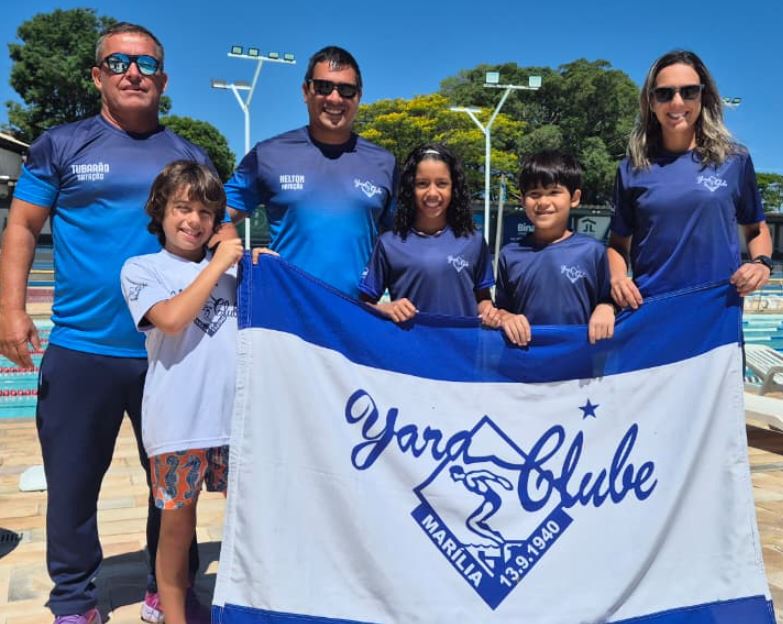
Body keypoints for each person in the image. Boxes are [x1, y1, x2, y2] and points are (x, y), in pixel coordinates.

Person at [0, 22, 213, 624]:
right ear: (98, 75)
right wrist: (9, 309)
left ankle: (163, 587)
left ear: (164, 80)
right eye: (119, 62)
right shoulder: (61, 144)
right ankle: (72, 599)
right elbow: (21, 227)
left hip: (168, 353)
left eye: (146, 65)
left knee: (173, 488)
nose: (133, 73)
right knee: (71, 485)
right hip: (83, 348)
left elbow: (214, 237)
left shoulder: (189, 155)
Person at [120, 161, 243, 624]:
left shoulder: (234, 271)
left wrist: (261, 266)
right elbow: (171, 319)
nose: (193, 220)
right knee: (177, 528)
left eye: (205, 213)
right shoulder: (141, 269)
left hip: (234, 422)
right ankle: (173, 615)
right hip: (177, 421)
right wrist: (218, 266)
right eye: (182, 208)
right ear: (161, 210)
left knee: (248, 521)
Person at [223, 46, 397, 297]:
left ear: (358, 96)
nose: (335, 98)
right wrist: (237, 252)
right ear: (306, 91)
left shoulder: (385, 163)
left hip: (358, 316)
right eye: (324, 87)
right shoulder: (269, 154)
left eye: (346, 90)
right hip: (288, 315)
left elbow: (400, 243)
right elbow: (214, 212)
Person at [608, 49, 771, 308]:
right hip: (652, 308)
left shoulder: (734, 160)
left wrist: (761, 263)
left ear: (703, 97)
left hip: (716, 312)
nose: (676, 102)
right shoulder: (632, 169)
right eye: (664, 93)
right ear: (651, 102)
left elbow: (756, 229)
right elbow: (617, 244)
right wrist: (617, 278)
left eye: (689, 91)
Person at [358, 143, 500, 323]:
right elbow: (364, 304)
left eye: (442, 184)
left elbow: (483, 300)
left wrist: (491, 312)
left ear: (453, 189)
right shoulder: (389, 243)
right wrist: (385, 308)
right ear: (411, 188)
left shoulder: (473, 241)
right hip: (410, 349)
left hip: (461, 350)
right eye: (422, 184)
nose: (432, 193)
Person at [496, 151, 615, 346]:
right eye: (534, 194)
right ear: (522, 201)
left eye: (553, 192)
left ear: (574, 198)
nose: (543, 202)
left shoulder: (592, 251)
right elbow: (501, 309)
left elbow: (608, 299)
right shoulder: (509, 255)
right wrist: (506, 318)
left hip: (578, 367)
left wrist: (606, 307)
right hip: (525, 366)